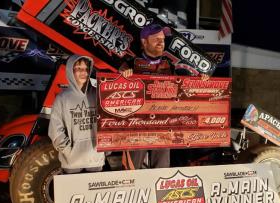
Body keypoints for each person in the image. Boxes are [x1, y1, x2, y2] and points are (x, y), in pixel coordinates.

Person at [119, 23, 208, 170]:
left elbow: (184, 91)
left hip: (163, 127)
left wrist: (201, 81)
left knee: (162, 172)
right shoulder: (129, 64)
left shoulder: (170, 66)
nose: (161, 42)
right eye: (156, 39)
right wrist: (122, 74)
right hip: (136, 129)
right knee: (130, 174)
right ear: (144, 41)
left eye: (163, 39)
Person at [48, 55, 105, 174]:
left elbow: (108, 121)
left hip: (95, 159)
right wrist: (68, 151)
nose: (83, 72)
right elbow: (55, 130)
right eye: (78, 69)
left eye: (86, 69)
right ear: (70, 71)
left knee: (93, 193)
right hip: (72, 162)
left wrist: (106, 146)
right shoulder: (62, 98)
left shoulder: (99, 94)